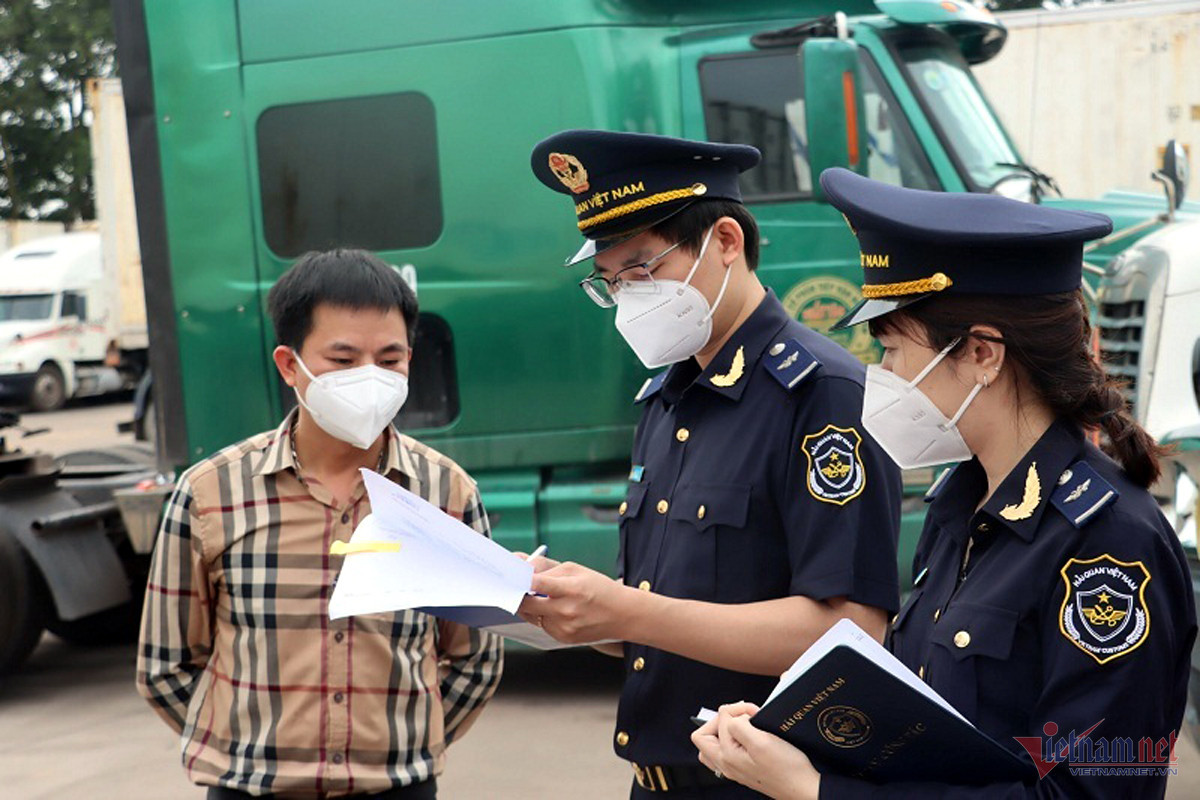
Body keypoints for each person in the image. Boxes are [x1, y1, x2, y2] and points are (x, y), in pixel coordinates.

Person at [692, 168, 1198, 799]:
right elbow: (927, 733)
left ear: (983, 354)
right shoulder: (962, 503)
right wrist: (793, 736)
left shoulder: (1109, 544)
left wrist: (817, 792)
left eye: (896, 353)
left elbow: (1084, 793)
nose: (882, 377)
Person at [522, 130, 903, 797]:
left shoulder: (822, 394)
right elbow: (651, 611)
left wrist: (629, 613)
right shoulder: (666, 398)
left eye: (642, 271)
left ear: (726, 241)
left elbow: (850, 627)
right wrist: (573, 604)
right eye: (610, 283)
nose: (629, 297)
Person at [137, 249, 503, 799]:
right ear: (290, 365)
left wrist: (405, 745)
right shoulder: (210, 494)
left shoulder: (446, 494)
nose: (370, 377)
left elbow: (475, 659)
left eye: (390, 358)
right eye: (343, 359)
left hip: (398, 789)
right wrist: (241, 747)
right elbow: (165, 664)